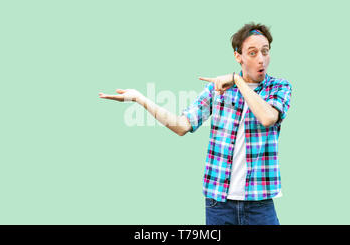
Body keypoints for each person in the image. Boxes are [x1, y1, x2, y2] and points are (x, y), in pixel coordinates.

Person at [99, 21, 292, 225]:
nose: (261, 59)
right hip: (219, 204)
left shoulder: (279, 87)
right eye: (252, 53)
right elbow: (182, 126)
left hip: (259, 204)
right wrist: (140, 99)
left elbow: (268, 117)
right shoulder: (217, 90)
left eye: (265, 51)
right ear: (238, 56)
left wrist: (238, 81)